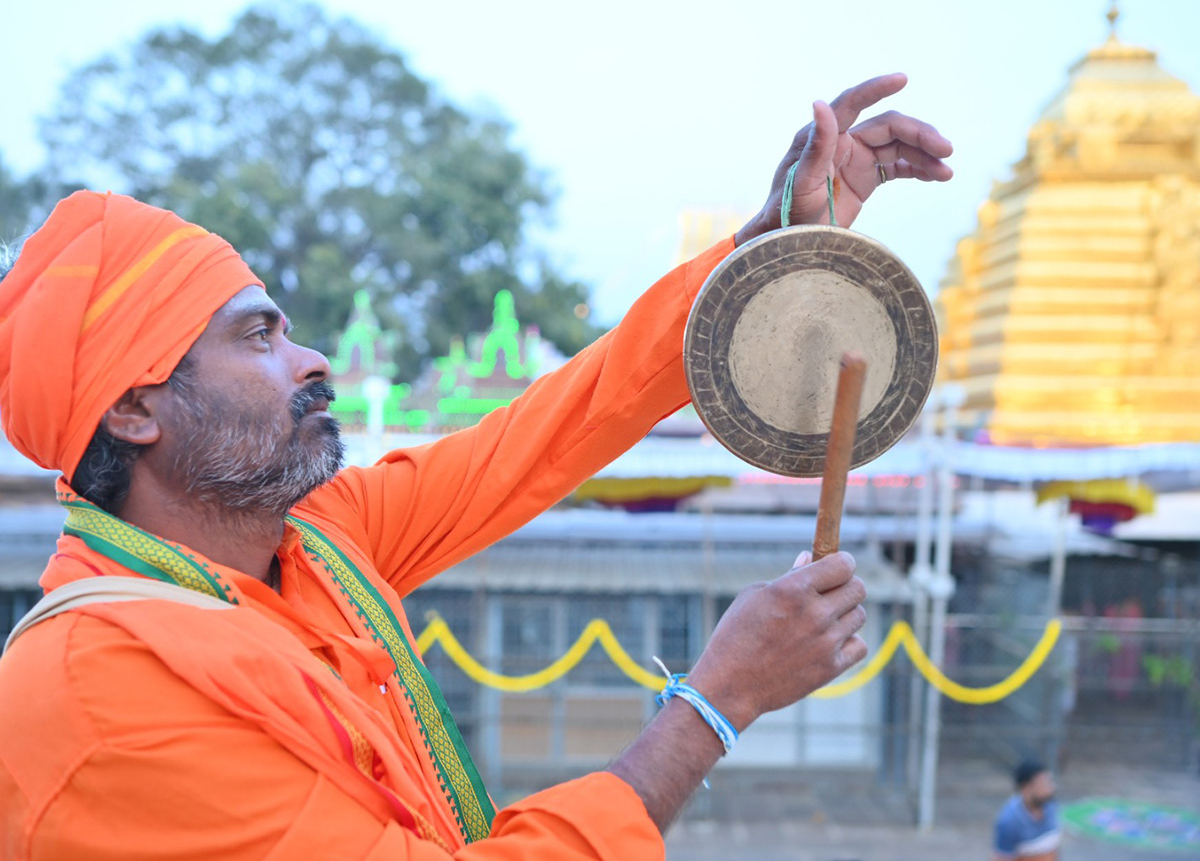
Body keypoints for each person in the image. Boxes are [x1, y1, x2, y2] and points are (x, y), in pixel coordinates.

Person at [0, 74, 952, 859]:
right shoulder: (97, 697)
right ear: (133, 410)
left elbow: (545, 431)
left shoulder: (315, 542)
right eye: (257, 337)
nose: (313, 360)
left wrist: (765, 255)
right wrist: (714, 704)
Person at [992, 761, 1061, 861]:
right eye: (1044, 783)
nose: (1051, 788)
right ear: (1026, 787)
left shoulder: (1051, 805)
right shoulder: (1009, 822)